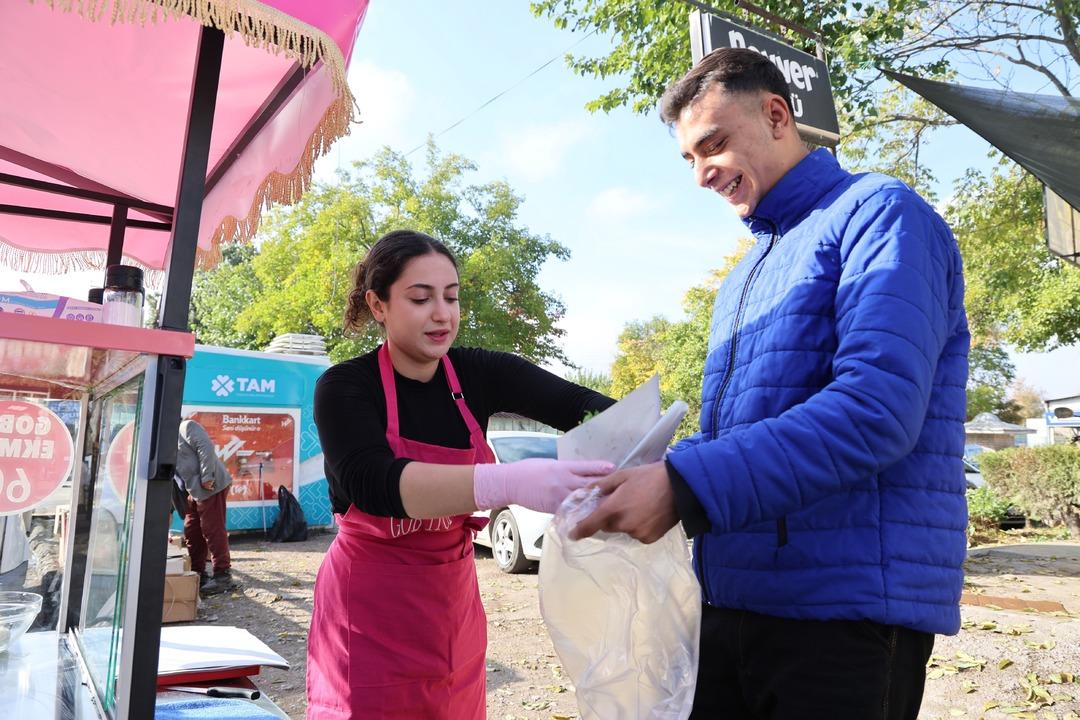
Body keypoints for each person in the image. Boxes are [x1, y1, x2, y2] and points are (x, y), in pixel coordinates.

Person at [573, 48, 970, 720]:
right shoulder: (744, 273)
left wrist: (686, 484)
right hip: (732, 604)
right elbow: (747, 437)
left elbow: (875, 411)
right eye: (690, 159)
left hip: (841, 618)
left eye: (715, 144)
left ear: (779, 115)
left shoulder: (881, 216)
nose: (702, 174)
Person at [306, 229, 615, 720]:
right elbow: (373, 482)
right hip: (367, 610)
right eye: (420, 298)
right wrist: (509, 483)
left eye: (451, 297)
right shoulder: (345, 386)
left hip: (452, 606)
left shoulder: (477, 372)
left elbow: (580, 406)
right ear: (378, 304)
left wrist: (640, 442)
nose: (442, 313)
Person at [175, 417, 234, 596]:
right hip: (193, 491)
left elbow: (206, 447)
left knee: (212, 529)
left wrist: (207, 476)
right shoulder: (164, 439)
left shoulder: (186, 426)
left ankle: (223, 576)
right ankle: (198, 573)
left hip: (210, 486)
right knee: (192, 530)